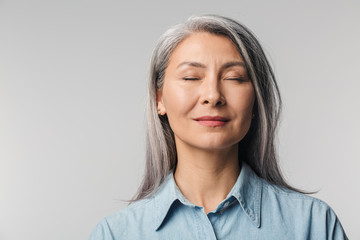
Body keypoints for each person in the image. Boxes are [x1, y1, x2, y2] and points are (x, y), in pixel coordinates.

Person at [89, 14, 348, 239]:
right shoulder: (115, 234)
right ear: (159, 99)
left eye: (234, 78)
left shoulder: (314, 225)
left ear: (256, 100)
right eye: (191, 77)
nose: (213, 95)